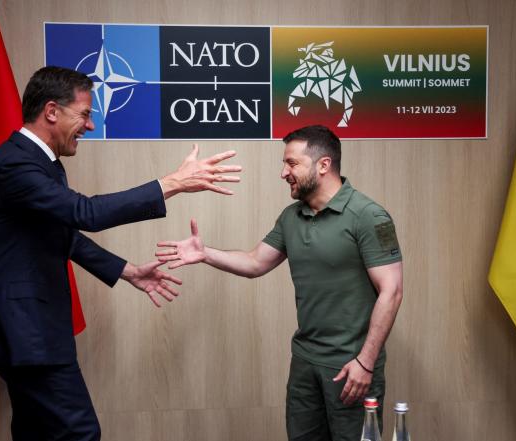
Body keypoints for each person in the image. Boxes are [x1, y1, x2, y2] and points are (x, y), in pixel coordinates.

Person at [0, 66, 241, 441]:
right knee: (80, 433)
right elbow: (85, 214)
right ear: (51, 111)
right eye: (85, 114)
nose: (90, 126)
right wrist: (172, 183)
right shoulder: (16, 165)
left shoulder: (35, 163)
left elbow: (61, 233)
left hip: (27, 329)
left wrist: (126, 271)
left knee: (36, 433)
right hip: (25, 330)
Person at [156, 125, 403, 441]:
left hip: (350, 365)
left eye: (291, 163)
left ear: (323, 165)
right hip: (305, 361)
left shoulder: (369, 216)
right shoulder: (291, 217)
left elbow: (392, 291)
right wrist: (205, 254)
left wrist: (366, 362)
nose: (283, 172)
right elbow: (255, 262)